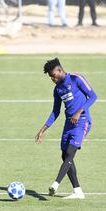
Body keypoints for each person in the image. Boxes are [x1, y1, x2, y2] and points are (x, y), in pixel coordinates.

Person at [35, 58, 97, 199]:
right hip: (69, 124)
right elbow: (55, 111)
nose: (52, 78)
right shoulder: (57, 89)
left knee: (70, 153)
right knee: (65, 155)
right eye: (50, 76)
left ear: (59, 70)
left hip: (82, 121)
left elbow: (93, 96)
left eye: (53, 75)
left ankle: (55, 184)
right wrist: (43, 129)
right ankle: (78, 191)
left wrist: (79, 111)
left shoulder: (76, 79)